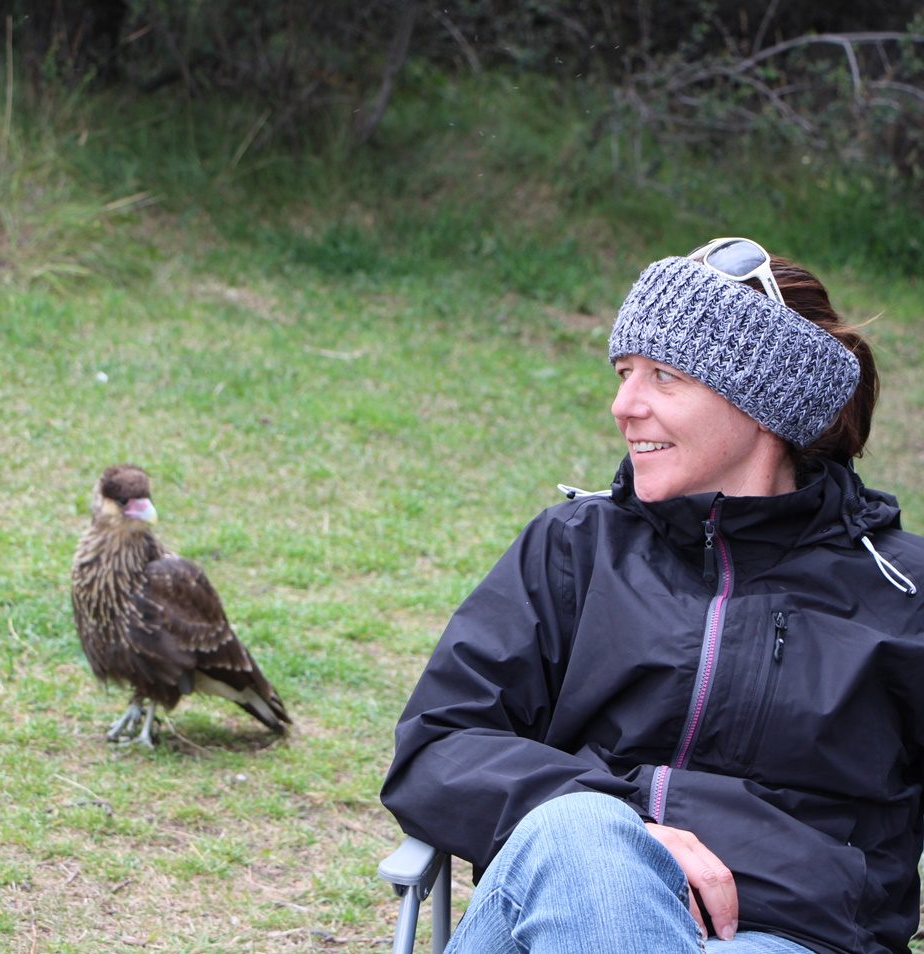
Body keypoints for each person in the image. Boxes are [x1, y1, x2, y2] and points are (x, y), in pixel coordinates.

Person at [380, 238, 924, 954]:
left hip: (787, 936)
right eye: (623, 372)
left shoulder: (900, 592)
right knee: (577, 829)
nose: (622, 405)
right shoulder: (575, 549)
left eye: (663, 376)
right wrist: (632, 829)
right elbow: (435, 750)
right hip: (558, 906)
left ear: (764, 402)